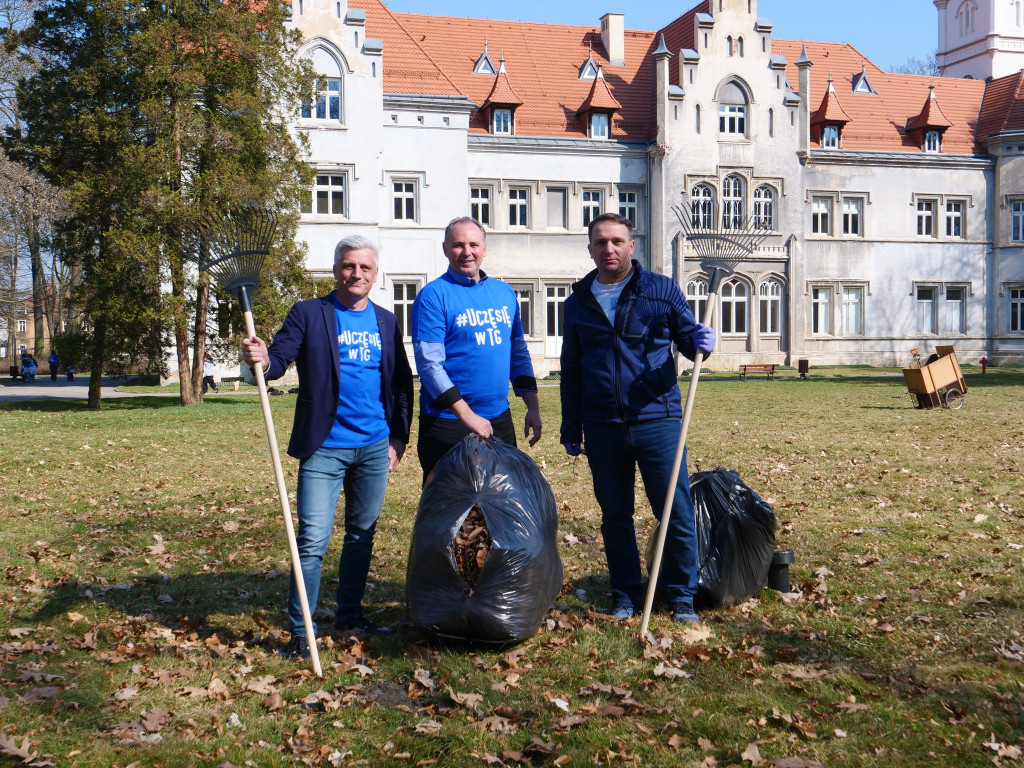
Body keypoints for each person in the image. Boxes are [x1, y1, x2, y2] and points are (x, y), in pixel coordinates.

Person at [242, 235, 414, 660]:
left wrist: (398, 438)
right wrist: (260, 361)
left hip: (374, 448)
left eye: (365, 268)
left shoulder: (386, 322)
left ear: (376, 275)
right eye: (348, 266)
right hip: (324, 448)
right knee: (312, 541)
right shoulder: (308, 314)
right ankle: (302, 631)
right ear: (336, 270)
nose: (356, 274)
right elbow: (277, 362)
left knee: (361, 536)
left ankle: (350, 615)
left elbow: (400, 384)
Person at [559, 213, 717, 624]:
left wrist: (702, 341)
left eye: (617, 241)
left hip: (657, 419)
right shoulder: (576, 303)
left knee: (674, 510)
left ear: (632, 246)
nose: (608, 249)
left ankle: (681, 595)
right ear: (589, 248)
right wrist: (570, 426)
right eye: (600, 242)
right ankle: (625, 594)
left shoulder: (661, 290)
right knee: (615, 515)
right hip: (601, 425)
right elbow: (572, 370)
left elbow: (688, 342)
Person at [411, 217, 541, 481]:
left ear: (484, 248)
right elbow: (429, 365)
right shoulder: (433, 296)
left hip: (498, 420)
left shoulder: (505, 293)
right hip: (447, 423)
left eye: (474, 244)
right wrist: (467, 415)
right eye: (458, 245)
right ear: (445, 249)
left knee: (501, 507)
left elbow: (517, 352)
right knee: (450, 511)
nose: (467, 252)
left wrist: (533, 407)